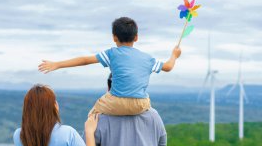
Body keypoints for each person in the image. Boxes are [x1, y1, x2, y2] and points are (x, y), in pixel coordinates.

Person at [38, 16, 181, 117]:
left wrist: (57, 64)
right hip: (141, 105)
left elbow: (85, 60)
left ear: (114, 37)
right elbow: (168, 67)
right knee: (152, 112)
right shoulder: (147, 58)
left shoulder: (112, 53)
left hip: (116, 102)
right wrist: (174, 54)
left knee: (92, 115)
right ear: (136, 37)